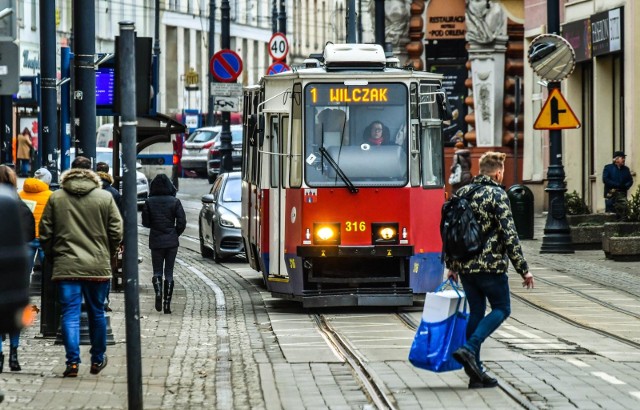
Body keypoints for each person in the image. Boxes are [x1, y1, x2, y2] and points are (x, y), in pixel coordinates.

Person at [445, 152, 534, 388]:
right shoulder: (498, 194)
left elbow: (451, 231)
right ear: (498, 172)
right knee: (502, 308)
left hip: (465, 265)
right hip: (490, 265)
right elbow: (509, 233)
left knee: (476, 312)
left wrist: (451, 265)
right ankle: (470, 347)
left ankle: (475, 374)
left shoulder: (462, 192)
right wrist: (523, 269)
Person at [39, 156, 123, 377]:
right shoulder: (104, 197)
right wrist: (108, 252)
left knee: (69, 314)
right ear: (91, 172)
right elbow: (117, 231)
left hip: (66, 266)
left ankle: (72, 363)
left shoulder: (57, 198)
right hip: (97, 265)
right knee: (97, 312)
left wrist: (53, 255)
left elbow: (45, 232)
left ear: (71, 171)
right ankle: (97, 359)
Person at [0, 165, 35, 373]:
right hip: (14, 271)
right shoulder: (18, 205)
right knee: (13, 310)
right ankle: (14, 353)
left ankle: (0, 354)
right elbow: (29, 234)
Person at [142, 174, 186, 314]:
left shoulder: (149, 202)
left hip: (156, 241)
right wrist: (174, 233)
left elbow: (145, 222)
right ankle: (167, 305)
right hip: (171, 242)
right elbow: (181, 222)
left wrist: (155, 226)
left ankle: (158, 293)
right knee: (169, 273)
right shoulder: (175, 201)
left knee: (157, 271)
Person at [18, 168, 53, 273]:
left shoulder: (20, 194)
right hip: (44, 236)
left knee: (24, 270)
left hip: (26, 235)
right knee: (48, 271)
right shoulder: (51, 196)